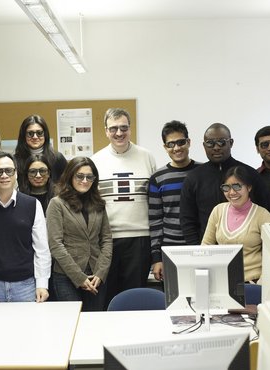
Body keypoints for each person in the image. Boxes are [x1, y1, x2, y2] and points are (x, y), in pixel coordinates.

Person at [0, 152, 51, 304]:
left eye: (9, 170)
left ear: (16, 174)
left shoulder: (32, 205)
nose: (4, 175)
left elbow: (42, 249)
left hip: (26, 286)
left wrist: (42, 284)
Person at [91, 108, 156, 307]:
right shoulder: (96, 160)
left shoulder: (146, 157)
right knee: (108, 295)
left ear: (130, 128)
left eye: (123, 128)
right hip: (108, 240)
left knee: (134, 295)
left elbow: (154, 200)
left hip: (140, 238)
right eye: (113, 128)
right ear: (106, 131)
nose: (119, 133)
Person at [180, 123, 268, 245]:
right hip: (206, 250)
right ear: (204, 146)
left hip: (247, 251)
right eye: (210, 143)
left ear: (231, 143)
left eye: (221, 142)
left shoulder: (250, 174)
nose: (216, 147)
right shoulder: (194, 178)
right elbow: (187, 219)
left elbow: (263, 210)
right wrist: (197, 250)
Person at [46, 157, 112, 311]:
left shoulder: (98, 204)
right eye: (79, 176)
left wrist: (101, 273)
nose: (85, 180)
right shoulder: (57, 204)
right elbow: (55, 244)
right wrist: (79, 277)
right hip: (66, 277)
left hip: (96, 276)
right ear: (70, 176)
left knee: (93, 325)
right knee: (72, 324)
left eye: (89, 177)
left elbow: (107, 239)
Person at [201, 166, 270, 282]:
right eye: (226, 187)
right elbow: (206, 245)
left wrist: (260, 284)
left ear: (249, 187)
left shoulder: (262, 215)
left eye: (237, 186)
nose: (232, 192)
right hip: (222, 280)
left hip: (253, 281)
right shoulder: (218, 210)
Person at [148, 121, 200, 282]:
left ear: (188, 142)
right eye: (171, 144)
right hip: (171, 251)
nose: (177, 148)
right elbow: (155, 220)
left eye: (181, 142)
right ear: (165, 147)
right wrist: (157, 258)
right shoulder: (158, 178)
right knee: (173, 302)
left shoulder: (203, 172)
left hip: (201, 248)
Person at [14, 114, 67, 184]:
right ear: (24, 136)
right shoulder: (15, 160)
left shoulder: (58, 158)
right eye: (30, 133)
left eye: (39, 133)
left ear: (45, 135)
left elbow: (66, 183)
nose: (35, 137)